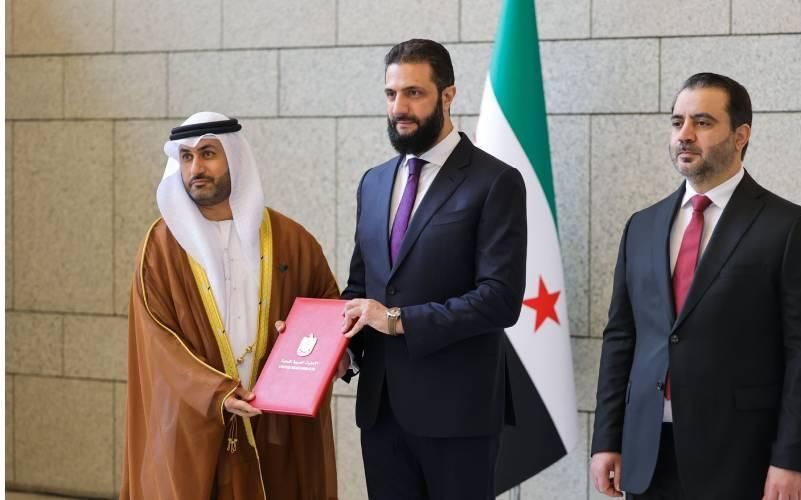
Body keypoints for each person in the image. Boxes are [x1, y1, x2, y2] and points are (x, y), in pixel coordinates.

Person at [589, 73, 801, 500]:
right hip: (648, 453)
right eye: (677, 122)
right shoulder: (641, 226)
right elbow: (621, 338)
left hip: (742, 458)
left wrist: (793, 459)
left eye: (702, 122)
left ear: (741, 135)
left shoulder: (790, 227)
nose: (684, 134)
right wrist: (607, 439)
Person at [340, 39, 528, 500]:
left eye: (414, 93)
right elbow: (361, 287)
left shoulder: (496, 181)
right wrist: (333, 346)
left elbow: (499, 299)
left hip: (458, 416)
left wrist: (397, 320)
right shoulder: (373, 182)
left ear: (448, 95)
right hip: (381, 412)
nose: (398, 108)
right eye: (391, 94)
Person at [121, 112, 340, 500]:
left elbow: (329, 312)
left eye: (208, 154)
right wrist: (216, 392)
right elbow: (157, 344)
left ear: (235, 159)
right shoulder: (160, 249)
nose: (196, 168)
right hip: (194, 423)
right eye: (186, 157)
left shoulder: (291, 240)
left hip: (276, 425)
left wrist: (330, 355)